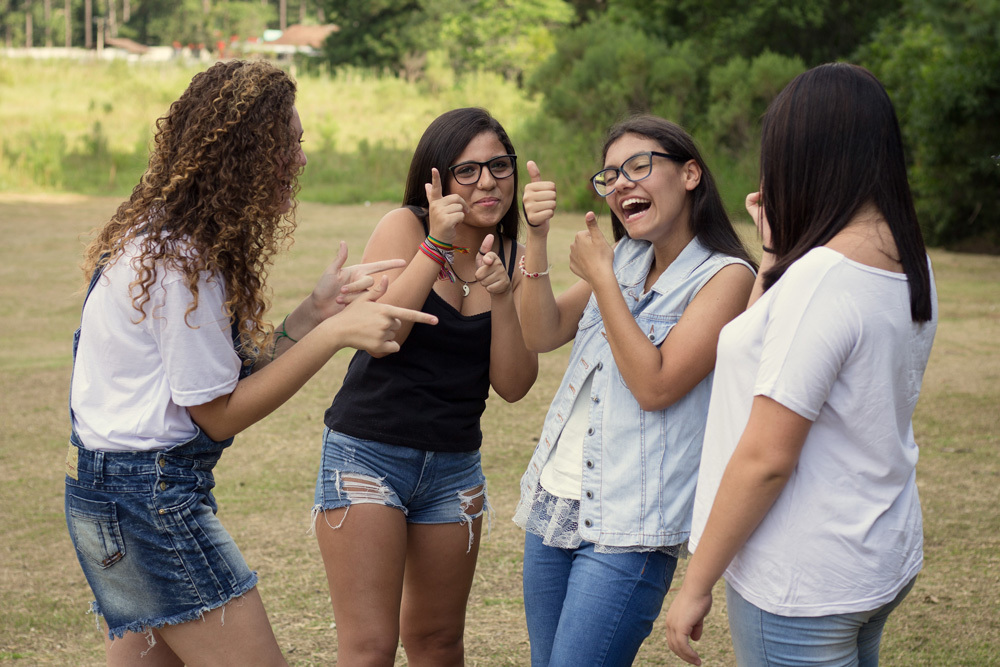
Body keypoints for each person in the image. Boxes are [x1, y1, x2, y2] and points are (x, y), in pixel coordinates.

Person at [64, 60, 436, 667]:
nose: (300, 157)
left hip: (109, 500)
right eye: (288, 143)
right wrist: (337, 334)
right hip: (150, 507)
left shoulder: (166, 241)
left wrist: (312, 314)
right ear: (247, 155)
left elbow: (217, 375)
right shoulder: (181, 265)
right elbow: (218, 414)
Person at [664, 63, 938, 667]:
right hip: (874, 552)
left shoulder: (824, 279)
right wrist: (774, 253)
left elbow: (767, 458)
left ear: (807, 155)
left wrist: (695, 585)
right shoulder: (907, 257)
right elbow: (752, 342)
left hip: (800, 579)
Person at [513, 115, 757, 666]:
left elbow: (657, 384)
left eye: (638, 167)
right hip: (557, 498)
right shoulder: (625, 258)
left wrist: (602, 281)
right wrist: (536, 236)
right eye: (609, 176)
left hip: (632, 526)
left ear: (690, 173)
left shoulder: (726, 277)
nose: (621, 183)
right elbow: (541, 331)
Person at [312, 107, 538, 666]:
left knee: (439, 641)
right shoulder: (404, 226)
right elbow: (380, 331)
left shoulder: (512, 256)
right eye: (468, 170)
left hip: (454, 469)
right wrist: (435, 244)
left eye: (499, 166)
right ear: (436, 178)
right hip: (368, 456)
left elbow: (513, 385)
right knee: (369, 648)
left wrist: (506, 296)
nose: (488, 182)